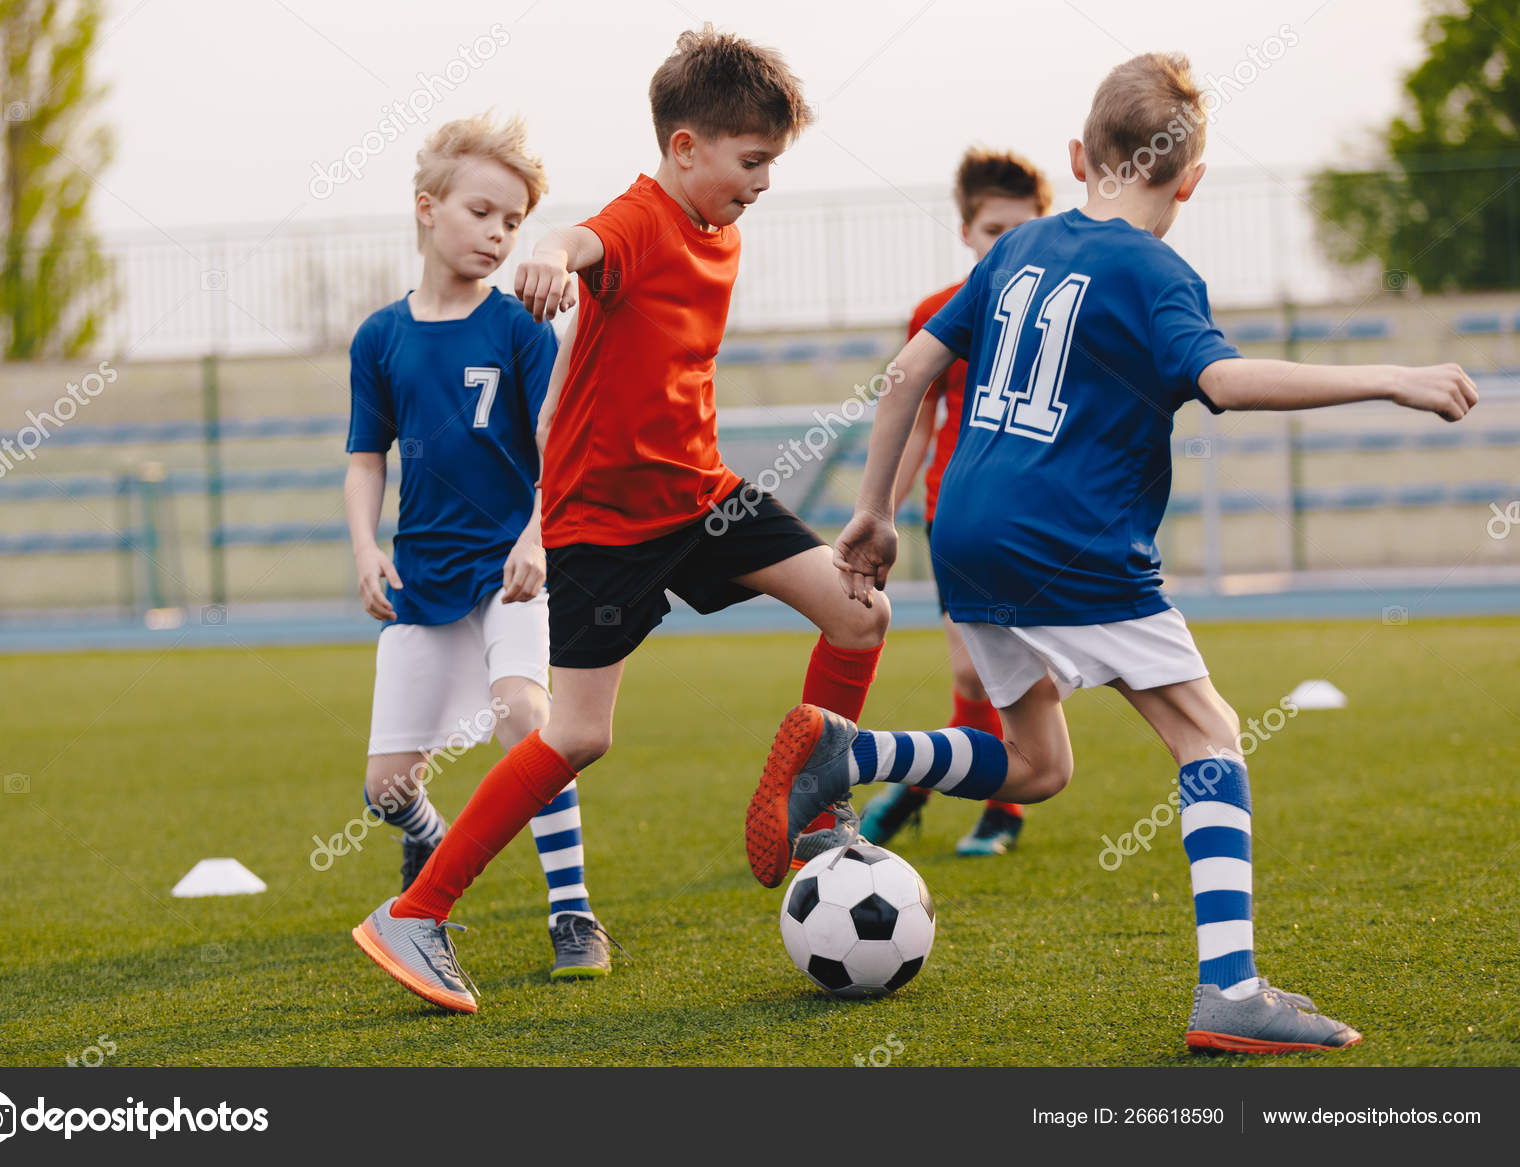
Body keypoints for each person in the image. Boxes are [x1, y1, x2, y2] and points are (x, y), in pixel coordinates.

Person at [747, 52, 1477, 1052]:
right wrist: (1386, 376)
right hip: (1070, 542)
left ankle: (852, 752)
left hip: (964, 531)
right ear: (1192, 180)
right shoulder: (1154, 271)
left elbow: (911, 367)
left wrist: (872, 512)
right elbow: (1220, 383)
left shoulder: (1018, 248)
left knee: (1038, 766)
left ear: (1079, 154)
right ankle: (1229, 991)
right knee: (1211, 737)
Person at [352, 26, 886, 1014]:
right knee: (577, 736)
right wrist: (549, 260)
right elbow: (576, 241)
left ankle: (817, 811)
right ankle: (416, 912)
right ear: (685, 149)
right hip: (602, 527)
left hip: (700, 497)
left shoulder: (724, 229)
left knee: (858, 613)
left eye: (771, 162)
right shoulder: (638, 219)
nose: (761, 182)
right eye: (750, 161)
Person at [345, 113, 612, 997]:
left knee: (525, 718)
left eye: (513, 219)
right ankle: (427, 832)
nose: (500, 234)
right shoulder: (379, 337)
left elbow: (558, 441)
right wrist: (363, 548)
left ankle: (571, 907)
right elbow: (365, 457)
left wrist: (538, 536)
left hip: (512, 568)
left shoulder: (522, 328)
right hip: (424, 576)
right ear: (427, 208)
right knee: (385, 786)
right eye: (483, 212)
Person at [860, 147, 1053, 858]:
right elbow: (916, 424)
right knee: (974, 671)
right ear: (968, 233)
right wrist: (882, 509)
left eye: (1024, 228)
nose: (1008, 242)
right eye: (994, 230)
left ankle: (918, 787)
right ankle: (998, 808)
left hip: (1043, 518)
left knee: (1035, 675)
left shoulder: (1058, 316)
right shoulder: (937, 313)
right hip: (958, 517)